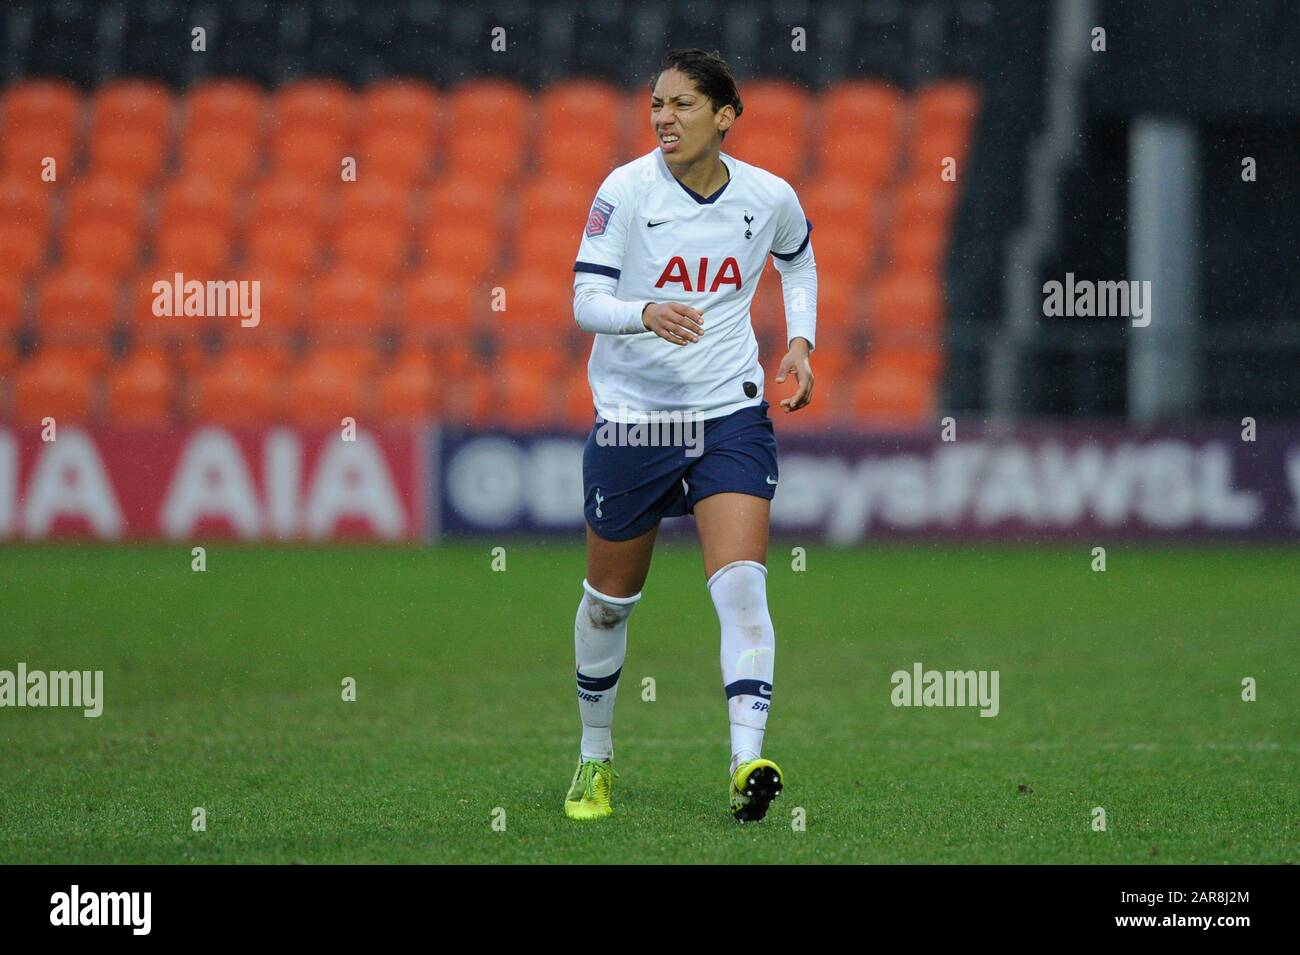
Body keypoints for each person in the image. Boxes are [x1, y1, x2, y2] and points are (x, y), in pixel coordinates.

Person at [565, 48, 817, 823]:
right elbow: (584, 298)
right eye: (656, 106)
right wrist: (642, 312)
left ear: (725, 116)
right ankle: (594, 756)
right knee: (609, 604)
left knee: (743, 585)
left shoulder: (768, 196)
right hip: (637, 420)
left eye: (680, 105)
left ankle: (746, 762)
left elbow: (798, 263)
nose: (663, 119)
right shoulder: (626, 190)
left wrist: (800, 343)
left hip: (729, 413)